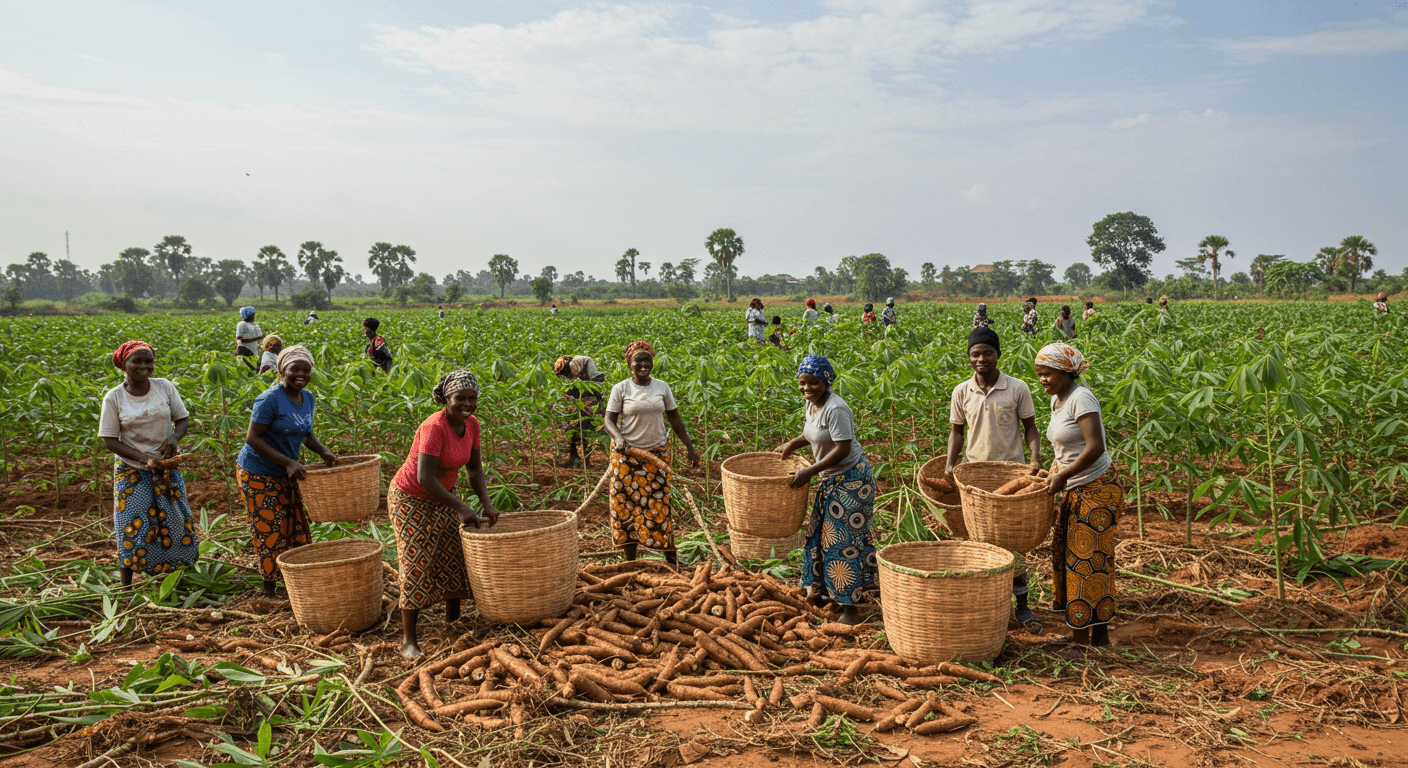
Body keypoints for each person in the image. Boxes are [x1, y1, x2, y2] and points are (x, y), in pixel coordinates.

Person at [388, 370, 501, 658]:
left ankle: (454, 623)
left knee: (453, 555)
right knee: (416, 561)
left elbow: (474, 470)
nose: (467, 404)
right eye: (460, 398)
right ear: (446, 398)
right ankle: (409, 640)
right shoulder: (434, 428)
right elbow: (424, 477)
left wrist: (486, 504)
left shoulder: (472, 425)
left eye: (472, 398)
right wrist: (462, 506)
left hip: (443, 496)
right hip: (410, 498)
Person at [944, 326, 1043, 629]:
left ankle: (1023, 606)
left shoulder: (1017, 388)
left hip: (1012, 474)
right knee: (980, 542)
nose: (982, 358)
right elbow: (956, 432)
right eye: (976, 353)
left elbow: (1030, 428)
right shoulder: (961, 391)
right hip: (974, 476)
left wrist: (1035, 458)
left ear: (998, 354)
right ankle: (987, 605)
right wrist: (950, 464)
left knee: (1014, 541)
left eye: (988, 352)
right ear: (969, 357)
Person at [774, 354, 875, 626]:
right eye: (802, 383)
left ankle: (850, 609)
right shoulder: (812, 405)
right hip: (831, 478)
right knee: (819, 535)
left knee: (843, 543)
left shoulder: (836, 408)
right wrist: (792, 445)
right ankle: (822, 594)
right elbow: (812, 435)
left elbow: (842, 449)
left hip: (852, 481)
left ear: (826, 381)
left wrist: (809, 471)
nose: (807, 388)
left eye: (814, 383)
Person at [1034, 342, 1121, 654]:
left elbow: (1094, 446)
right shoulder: (1058, 400)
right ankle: (1093, 638)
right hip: (1075, 488)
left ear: (1065, 371)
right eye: (1039, 375)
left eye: (1047, 374)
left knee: (1087, 563)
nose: (1042, 379)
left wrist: (1063, 475)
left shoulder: (1081, 398)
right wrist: (1052, 471)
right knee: (1074, 561)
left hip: (1097, 489)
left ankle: (1083, 643)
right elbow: (1065, 449)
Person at [236, 345, 338, 598]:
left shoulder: (308, 398)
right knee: (270, 528)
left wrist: (324, 452)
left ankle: (296, 579)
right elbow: (253, 438)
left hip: (286, 471)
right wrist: (288, 462)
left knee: (294, 525)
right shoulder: (270, 399)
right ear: (282, 370)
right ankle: (269, 589)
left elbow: (306, 433)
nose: (301, 374)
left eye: (306, 370)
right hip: (258, 472)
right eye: (295, 369)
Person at [98, 341, 200, 586]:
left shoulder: (164, 387)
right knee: (131, 525)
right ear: (124, 365)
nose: (144, 366)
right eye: (137, 361)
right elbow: (110, 439)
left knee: (175, 520)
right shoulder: (114, 397)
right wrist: (144, 458)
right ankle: (126, 584)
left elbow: (182, 418)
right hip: (132, 469)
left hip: (166, 466)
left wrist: (174, 438)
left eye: (148, 361)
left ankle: (176, 575)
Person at [603, 341, 700, 564]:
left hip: (656, 456)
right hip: (626, 457)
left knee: (660, 508)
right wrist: (618, 438)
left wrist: (690, 448)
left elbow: (675, 419)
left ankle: (671, 561)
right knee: (625, 507)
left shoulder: (662, 387)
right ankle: (631, 563)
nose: (644, 365)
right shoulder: (621, 389)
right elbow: (609, 419)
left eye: (648, 360)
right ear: (630, 364)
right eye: (639, 361)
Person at [553, 354, 607, 467]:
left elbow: (592, 388)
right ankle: (575, 458)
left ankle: (585, 461)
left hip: (590, 404)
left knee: (586, 430)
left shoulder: (579, 366)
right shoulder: (579, 374)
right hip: (583, 403)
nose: (567, 376)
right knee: (575, 430)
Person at [235, 307, 265, 371]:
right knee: (246, 369)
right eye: (252, 314)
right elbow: (242, 340)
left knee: (254, 369)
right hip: (244, 350)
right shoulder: (242, 324)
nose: (254, 316)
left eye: (254, 314)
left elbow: (261, 335)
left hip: (253, 350)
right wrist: (258, 338)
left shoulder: (255, 324)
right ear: (248, 315)